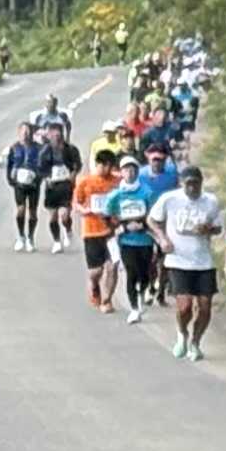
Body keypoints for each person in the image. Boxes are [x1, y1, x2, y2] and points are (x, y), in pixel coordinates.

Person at [154, 162, 226, 362]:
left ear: (202, 183)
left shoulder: (210, 201)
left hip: (203, 261)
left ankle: (195, 341)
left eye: (196, 183)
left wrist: (208, 229)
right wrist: (162, 238)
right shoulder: (169, 199)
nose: (192, 188)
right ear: (181, 183)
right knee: (184, 306)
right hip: (178, 260)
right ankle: (181, 334)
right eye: (188, 184)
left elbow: (218, 227)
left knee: (204, 307)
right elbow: (152, 219)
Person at [108, 161, 163, 320]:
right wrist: (121, 226)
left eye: (133, 170)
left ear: (137, 172)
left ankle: (143, 292)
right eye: (126, 170)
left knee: (145, 274)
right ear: (121, 172)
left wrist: (143, 224)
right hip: (126, 241)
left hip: (145, 240)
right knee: (131, 273)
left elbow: (154, 215)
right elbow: (108, 215)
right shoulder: (116, 195)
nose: (130, 173)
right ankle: (134, 308)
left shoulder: (147, 192)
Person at [74, 145, 124, 311]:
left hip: (111, 232)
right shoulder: (86, 182)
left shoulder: (117, 182)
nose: (109, 169)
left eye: (111, 166)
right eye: (106, 166)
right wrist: (84, 210)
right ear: (99, 165)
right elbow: (76, 203)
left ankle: (107, 300)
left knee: (112, 265)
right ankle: (94, 285)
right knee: (96, 271)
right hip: (92, 230)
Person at [0, 124, 39, 252]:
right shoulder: (14, 148)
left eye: (28, 132)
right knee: (20, 209)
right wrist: (10, 179)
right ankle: (21, 236)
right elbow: (9, 165)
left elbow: (43, 164)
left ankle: (31, 237)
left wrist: (39, 177)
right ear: (19, 133)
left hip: (33, 183)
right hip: (19, 183)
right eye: (23, 132)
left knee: (32, 212)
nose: (25, 134)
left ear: (31, 133)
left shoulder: (38, 148)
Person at [38, 122, 78, 252]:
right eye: (53, 134)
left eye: (58, 134)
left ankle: (67, 229)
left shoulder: (70, 149)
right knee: (53, 216)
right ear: (49, 136)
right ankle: (56, 241)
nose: (56, 137)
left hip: (66, 184)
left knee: (65, 215)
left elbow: (77, 164)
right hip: (52, 185)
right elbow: (40, 168)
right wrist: (46, 177)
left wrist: (73, 174)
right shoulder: (45, 151)